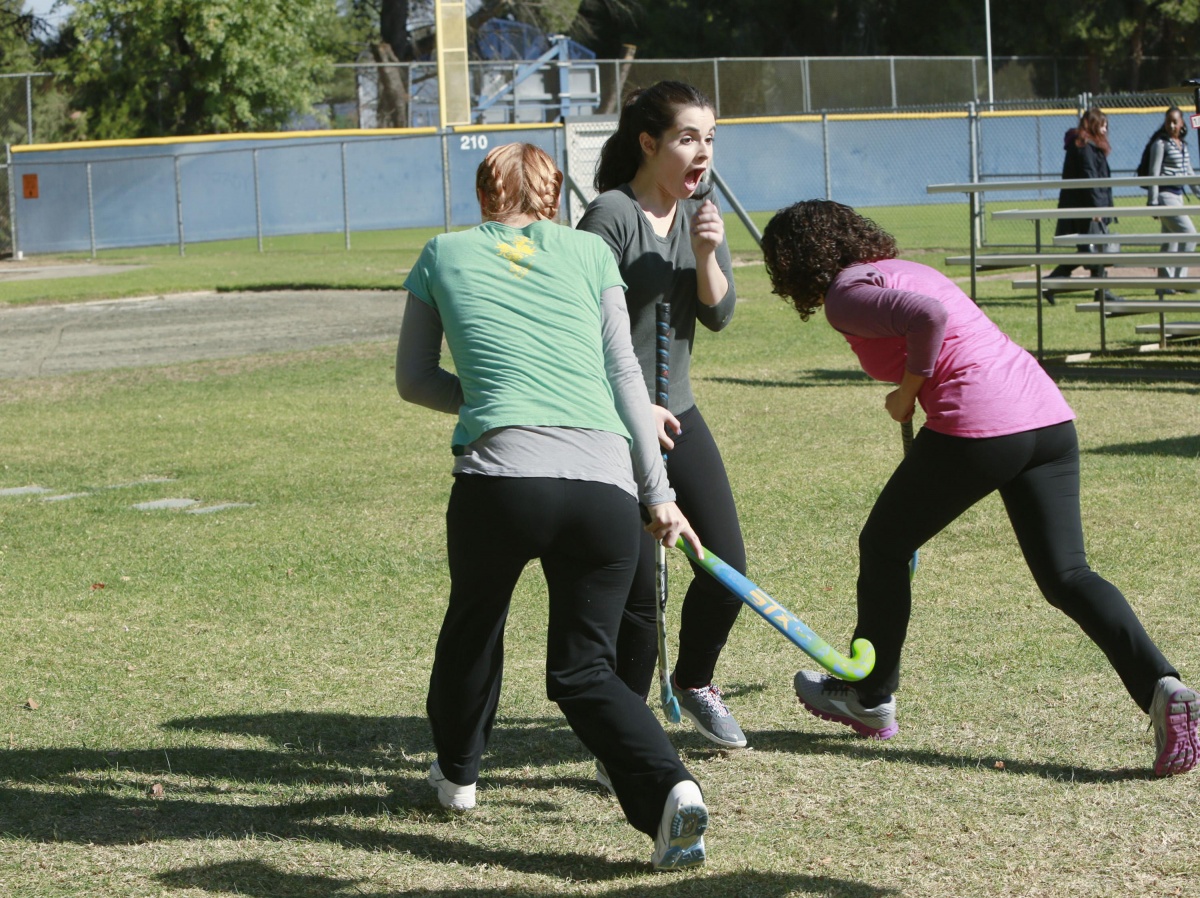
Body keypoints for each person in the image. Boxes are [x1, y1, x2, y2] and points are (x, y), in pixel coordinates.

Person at [760, 198, 1200, 778]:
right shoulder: (908, 267)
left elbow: (927, 320)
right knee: (1068, 577)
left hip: (981, 426)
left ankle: (868, 697)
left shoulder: (846, 291)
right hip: (1047, 419)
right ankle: (1164, 687)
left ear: (795, 259)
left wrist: (907, 390)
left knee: (884, 545)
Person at [396, 142, 710, 868]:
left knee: (475, 623)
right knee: (585, 671)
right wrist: (657, 493)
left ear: (484, 194)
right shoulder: (590, 255)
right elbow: (626, 378)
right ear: (553, 197)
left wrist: (488, 404)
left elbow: (414, 379)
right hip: (604, 484)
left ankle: (458, 775)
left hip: (501, 481)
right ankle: (670, 789)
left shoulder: (442, 253)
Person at [576, 81, 748, 750]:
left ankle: (698, 682)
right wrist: (633, 405)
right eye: (687, 138)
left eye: (710, 138)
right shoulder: (610, 216)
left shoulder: (700, 209)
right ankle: (624, 736)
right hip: (615, 421)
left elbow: (720, 312)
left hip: (680, 415)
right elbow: (578, 327)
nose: (702, 152)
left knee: (725, 565)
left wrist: (707, 253)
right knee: (638, 595)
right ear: (649, 144)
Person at [1044, 107, 1123, 305]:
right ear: (1093, 125)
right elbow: (1090, 179)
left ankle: (1096, 290)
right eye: (1102, 125)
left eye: (1106, 126)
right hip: (1086, 208)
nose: (1105, 130)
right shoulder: (1084, 147)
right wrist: (1095, 209)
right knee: (1091, 250)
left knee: (1091, 250)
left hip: (1092, 206)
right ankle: (1055, 284)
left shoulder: (1091, 145)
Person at [1144, 106, 1200, 292]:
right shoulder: (1160, 144)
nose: (1172, 125)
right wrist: (1153, 202)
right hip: (1165, 196)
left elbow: (1189, 173)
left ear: (1182, 123)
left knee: (1170, 242)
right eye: (1168, 121)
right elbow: (1154, 173)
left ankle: (1163, 285)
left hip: (1178, 197)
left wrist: (1198, 192)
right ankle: (1179, 280)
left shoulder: (1183, 145)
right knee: (1190, 235)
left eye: (1175, 121)